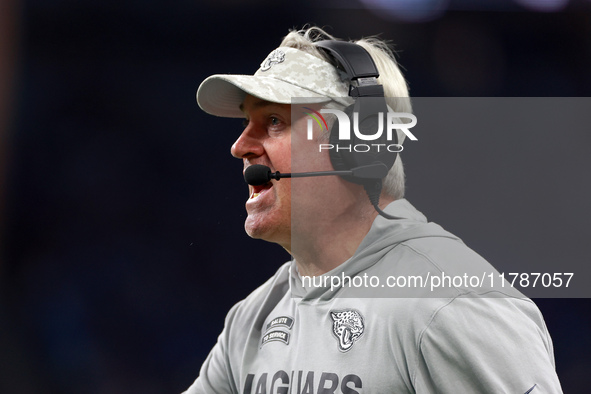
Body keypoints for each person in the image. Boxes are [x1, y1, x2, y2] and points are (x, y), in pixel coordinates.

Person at [185, 27, 562, 393]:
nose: (240, 146)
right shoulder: (252, 321)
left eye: (273, 121)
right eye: (247, 123)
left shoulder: (451, 304)